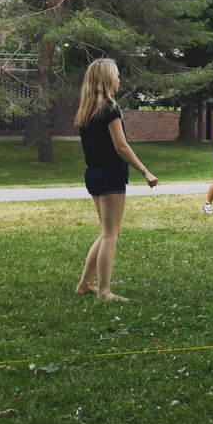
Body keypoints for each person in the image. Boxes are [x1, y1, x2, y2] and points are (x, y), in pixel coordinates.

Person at [73, 58, 158, 302]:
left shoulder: (87, 110)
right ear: (107, 79)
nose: (119, 79)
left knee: (105, 232)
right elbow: (121, 145)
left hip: (94, 175)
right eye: (117, 75)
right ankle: (104, 291)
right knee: (111, 234)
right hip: (110, 175)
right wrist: (144, 171)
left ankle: (85, 284)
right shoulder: (111, 108)